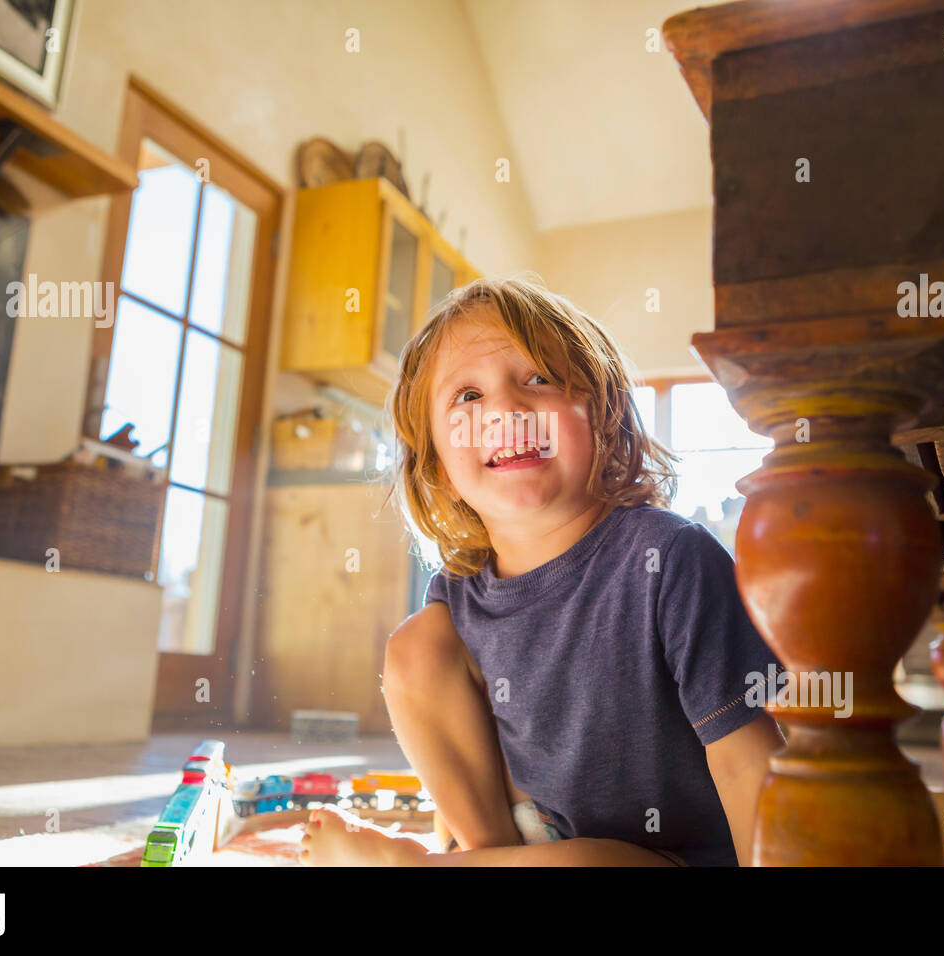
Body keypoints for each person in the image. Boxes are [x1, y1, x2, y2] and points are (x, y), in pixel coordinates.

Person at [300, 273, 784, 866]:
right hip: (546, 842)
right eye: (468, 397)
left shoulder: (670, 558)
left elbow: (749, 761)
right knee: (416, 643)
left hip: (681, 859)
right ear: (441, 467)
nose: (506, 408)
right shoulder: (457, 596)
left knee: (591, 863)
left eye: (539, 379)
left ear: (603, 420)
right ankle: (486, 855)